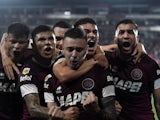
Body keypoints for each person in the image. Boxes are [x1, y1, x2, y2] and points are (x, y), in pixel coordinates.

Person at [44, 27, 116, 120]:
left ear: (86, 49)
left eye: (79, 50)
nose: (74, 55)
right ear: (62, 48)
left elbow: (112, 117)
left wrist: (96, 111)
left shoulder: (102, 74)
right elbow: (52, 114)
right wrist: (61, 116)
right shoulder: (51, 79)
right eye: (70, 49)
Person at [106, 19, 160, 120]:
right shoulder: (107, 59)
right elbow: (88, 50)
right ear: (115, 38)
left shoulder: (150, 65)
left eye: (130, 32)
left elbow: (158, 104)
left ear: (137, 38)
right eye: (121, 32)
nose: (126, 36)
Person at [0, 22, 30, 120]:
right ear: (5, 40)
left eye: (21, 42)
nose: (17, 46)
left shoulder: (32, 59)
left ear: (28, 43)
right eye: (13, 42)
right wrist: (4, 55)